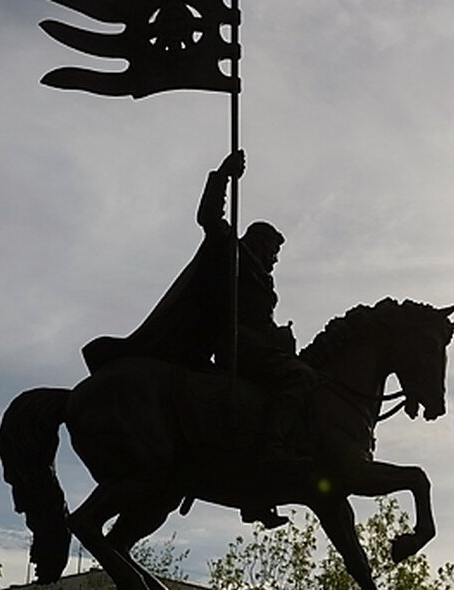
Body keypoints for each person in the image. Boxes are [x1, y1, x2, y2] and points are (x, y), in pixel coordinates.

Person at [82, 150, 314, 529]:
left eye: (277, 253)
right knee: (300, 379)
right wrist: (222, 176)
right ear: (258, 242)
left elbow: (262, 320)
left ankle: (256, 493)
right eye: (273, 249)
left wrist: (281, 339)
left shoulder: (264, 279)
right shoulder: (230, 249)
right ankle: (272, 452)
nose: (275, 258)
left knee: (292, 382)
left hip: (257, 346)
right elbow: (209, 217)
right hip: (237, 345)